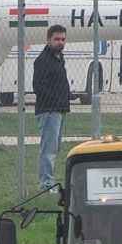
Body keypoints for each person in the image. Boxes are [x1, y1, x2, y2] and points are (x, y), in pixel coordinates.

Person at [33, 24, 70, 192]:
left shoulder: (59, 58)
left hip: (60, 110)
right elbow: (38, 86)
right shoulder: (43, 60)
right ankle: (46, 185)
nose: (60, 42)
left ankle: (48, 182)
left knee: (54, 149)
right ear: (48, 40)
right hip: (49, 110)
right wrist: (55, 100)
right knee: (48, 150)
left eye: (63, 39)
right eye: (56, 39)